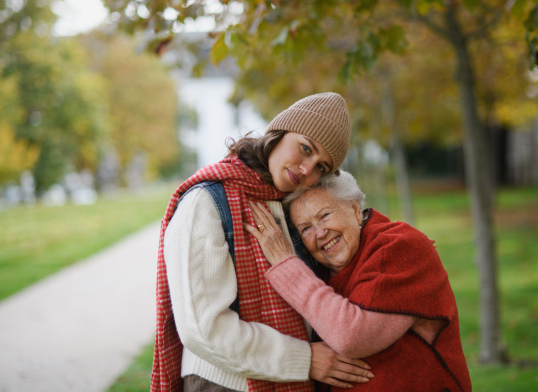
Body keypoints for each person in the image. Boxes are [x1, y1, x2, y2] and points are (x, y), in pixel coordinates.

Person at [153, 93, 375, 392]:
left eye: (322, 167)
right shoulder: (205, 202)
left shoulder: (289, 205)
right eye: (306, 148)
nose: (308, 169)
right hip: (223, 383)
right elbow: (203, 329)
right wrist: (305, 359)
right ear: (279, 133)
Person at [245, 171, 472, 392]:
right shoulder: (322, 273)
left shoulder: (399, 245)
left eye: (324, 215)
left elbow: (350, 336)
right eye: (306, 228)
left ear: (354, 210)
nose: (320, 233)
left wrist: (285, 263)